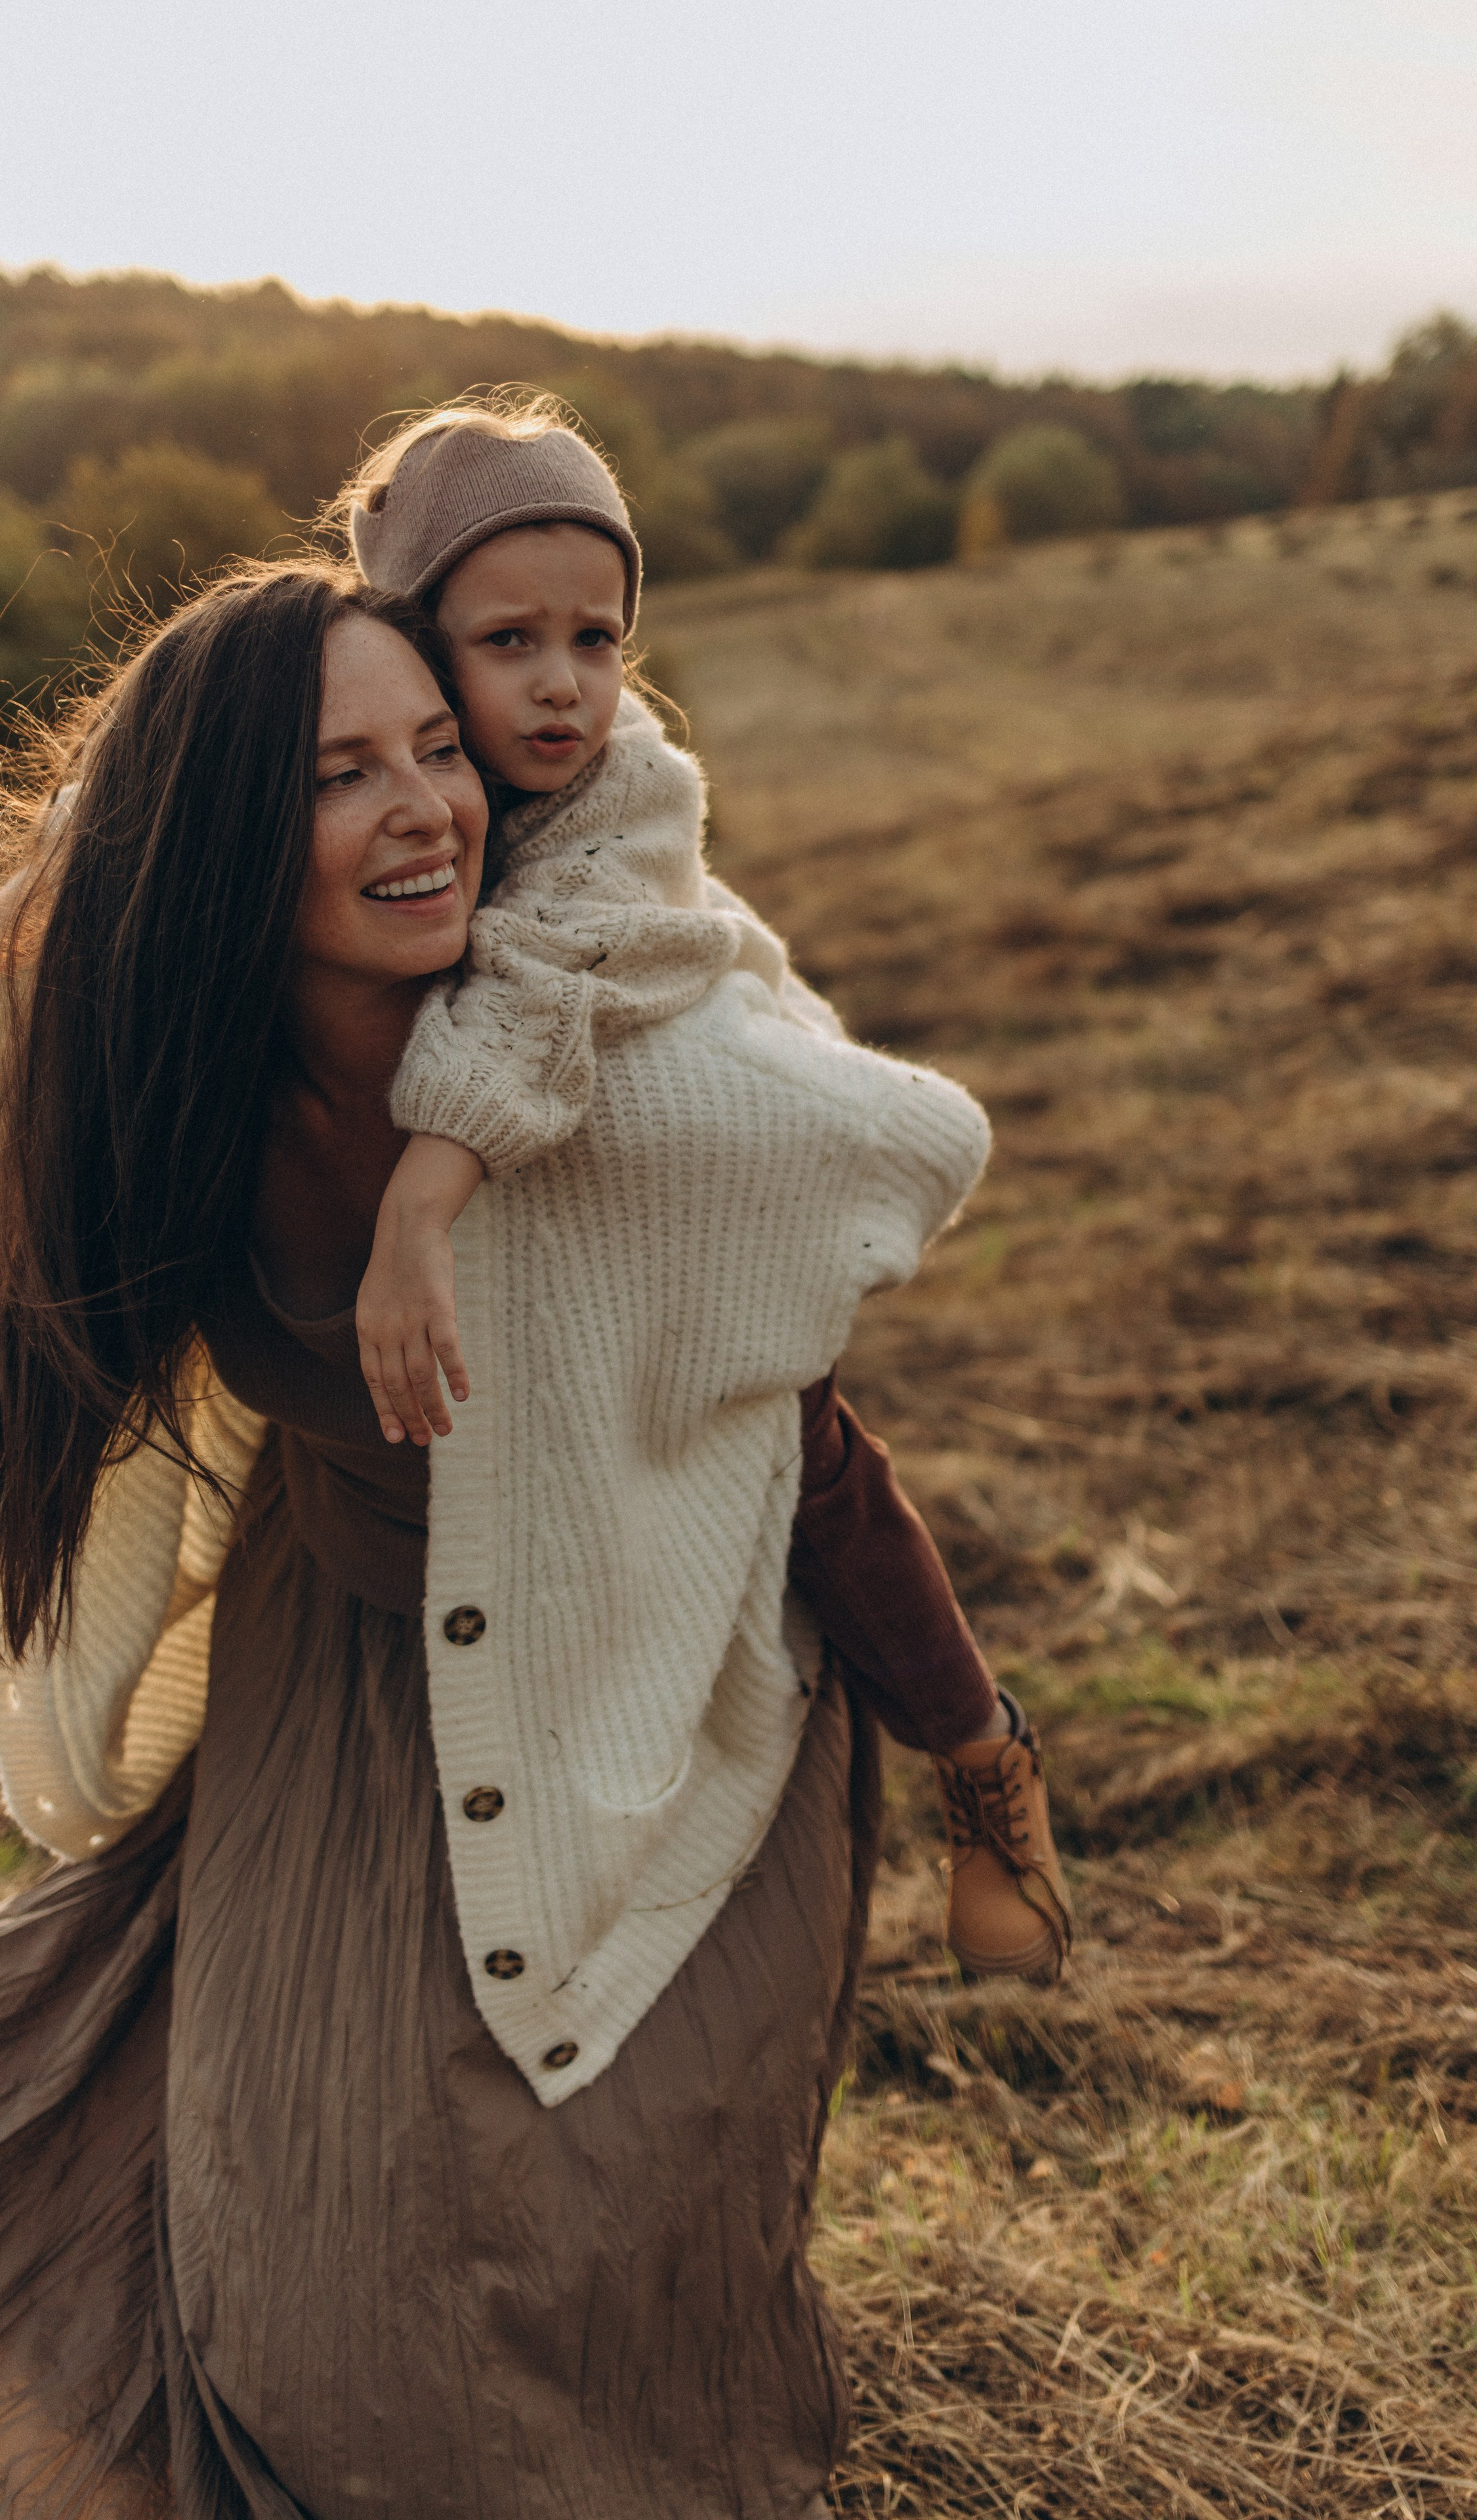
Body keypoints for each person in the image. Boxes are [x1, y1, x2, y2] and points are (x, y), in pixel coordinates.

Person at [0, 556, 992, 2517]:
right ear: (223, 839)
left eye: (440, 751)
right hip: (337, 1683)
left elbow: (809, 1444)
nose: (428, 805)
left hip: (644, 1699)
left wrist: (977, 1745)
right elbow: (73, 1347)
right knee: (287, 2253)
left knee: (553, 2254)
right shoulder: (185, 1089)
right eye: (340, 772)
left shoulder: (611, 1099)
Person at [344, 395, 1070, 1982]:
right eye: (509, 639)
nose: (562, 684)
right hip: (566, 1131)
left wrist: (421, 1199)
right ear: (410, 638)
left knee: (790, 1439)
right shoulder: (375, 753)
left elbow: (549, 973)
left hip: (725, 1108)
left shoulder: (628, 792)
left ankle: (977, 1752)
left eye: (595, 639)